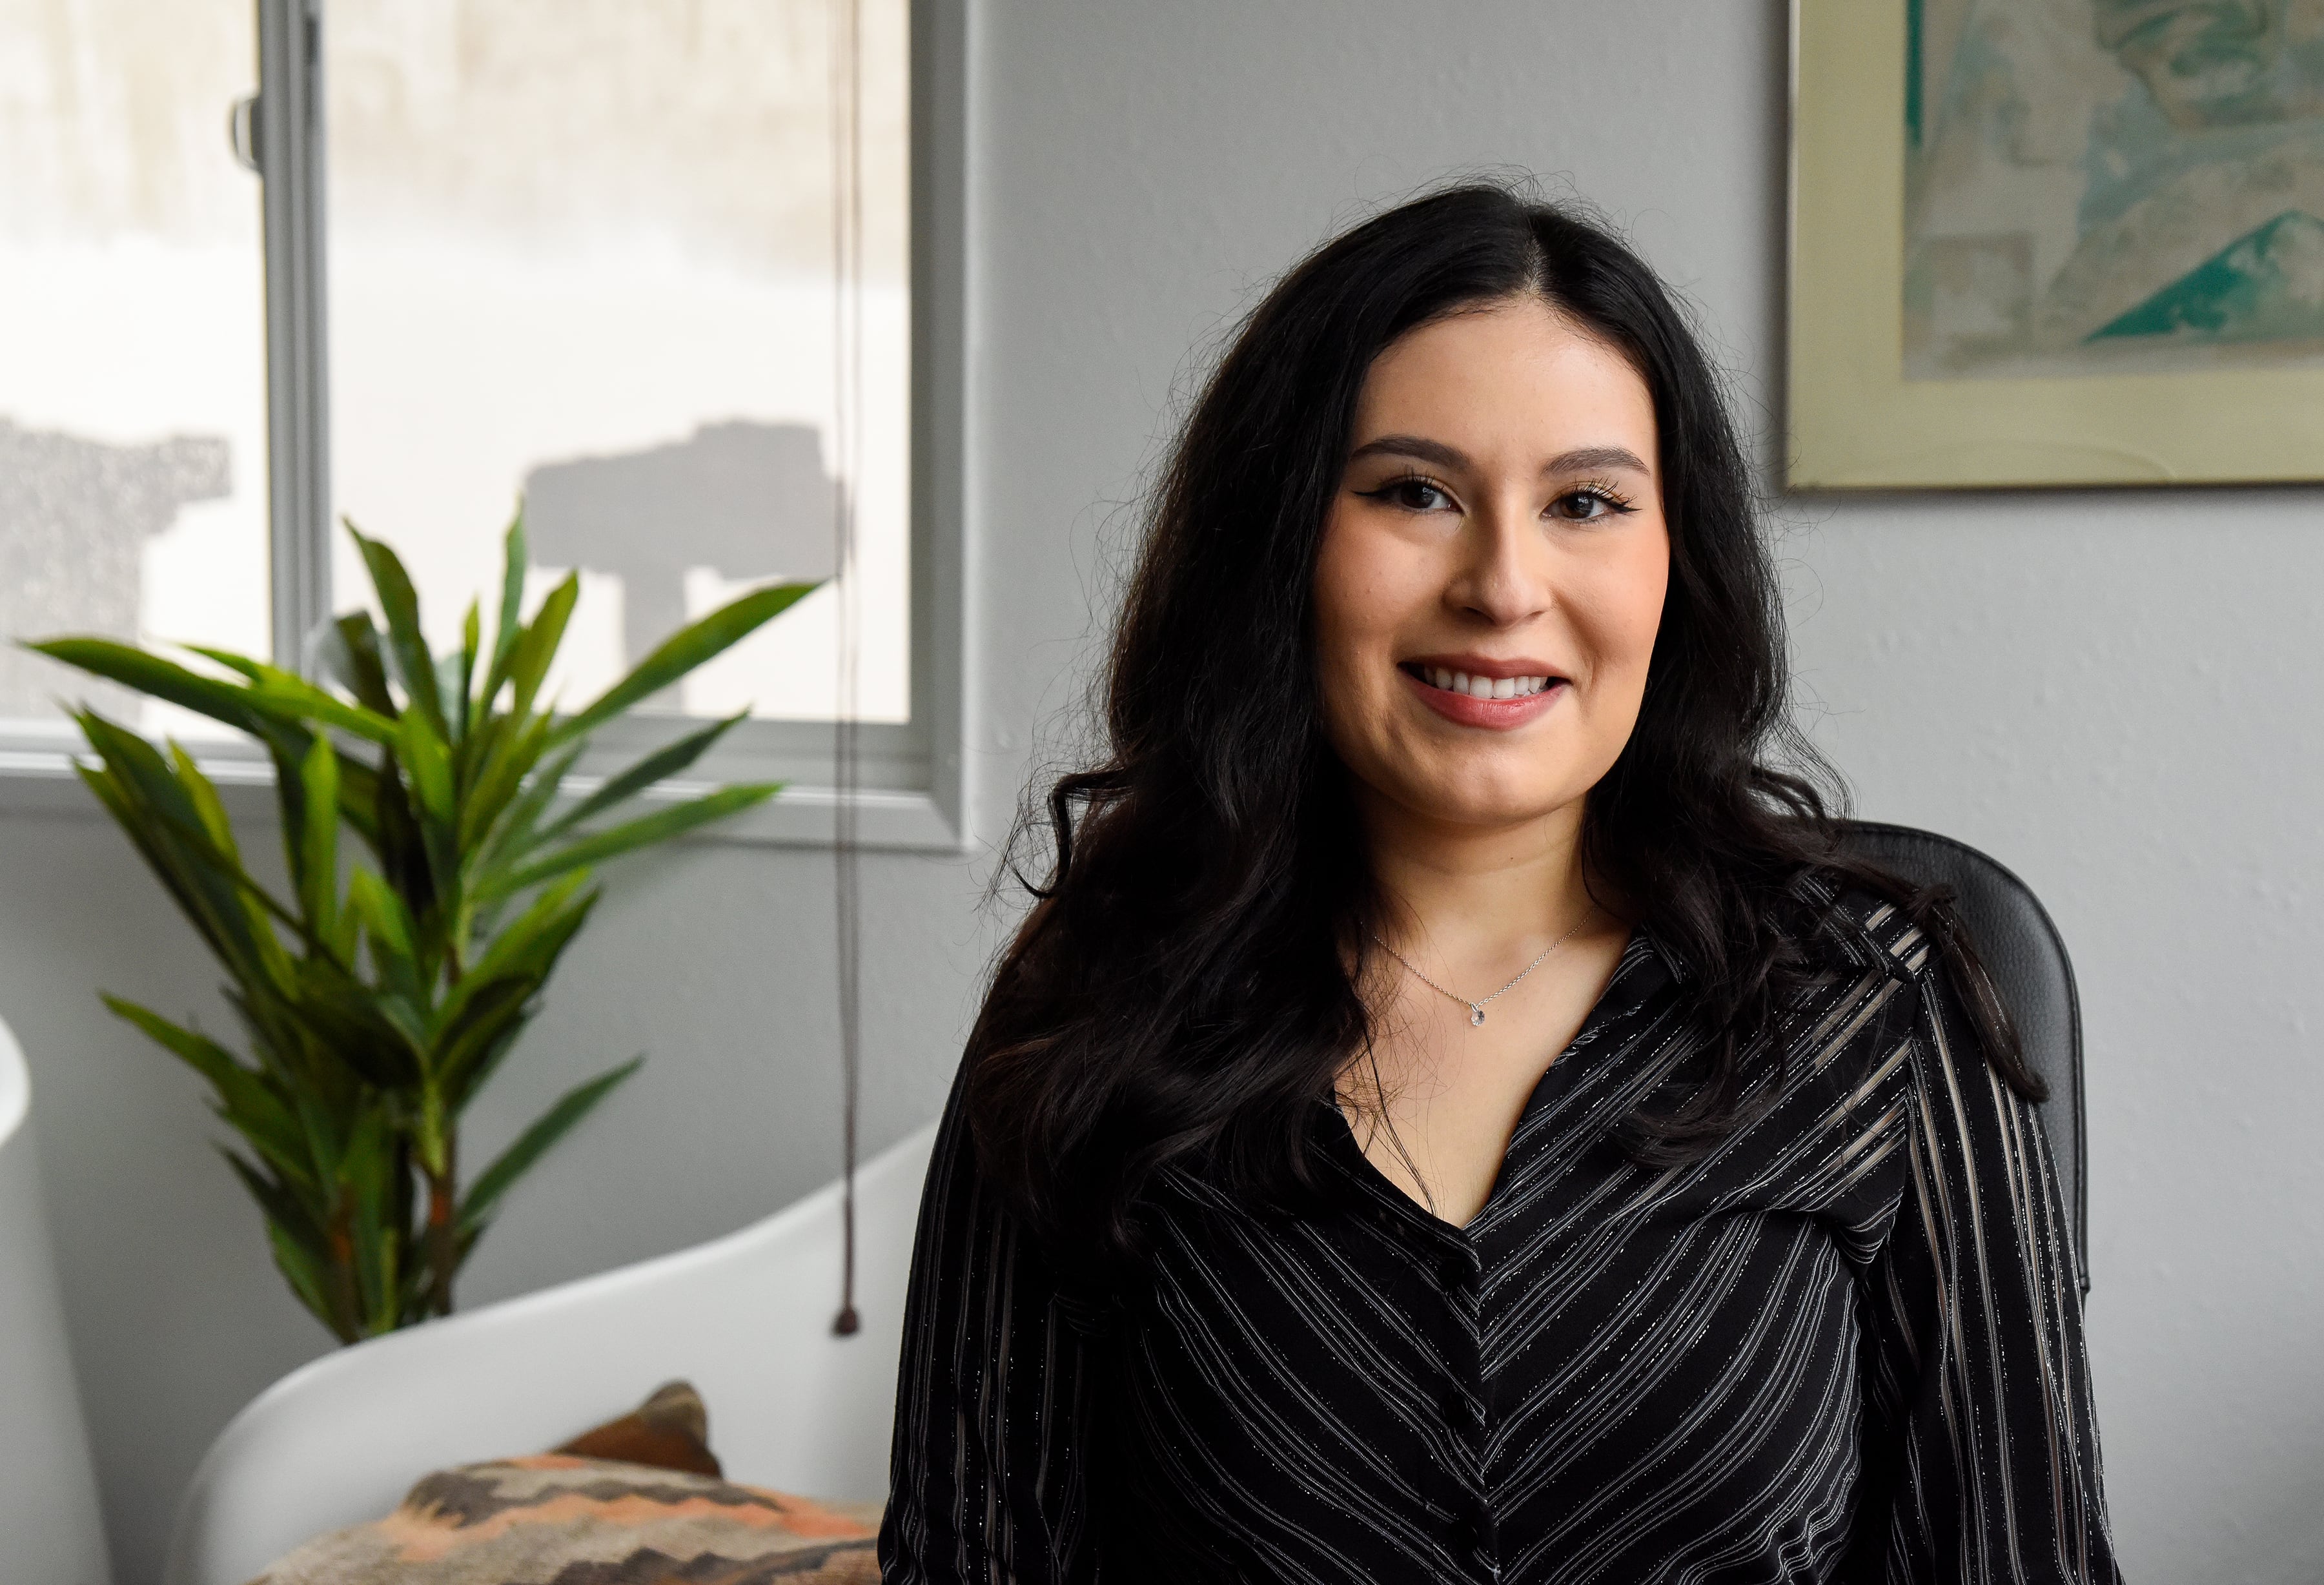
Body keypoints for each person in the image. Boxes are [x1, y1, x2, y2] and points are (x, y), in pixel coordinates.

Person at [881, 185, 2121, 1583]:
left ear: (1676, 564)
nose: (1504, 583)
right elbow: (970, 1556)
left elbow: (2023, 1557)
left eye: (1586, 502)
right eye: (1416, 492)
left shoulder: (1874, 1009)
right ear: (1279, 542)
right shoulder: (1100, 996)